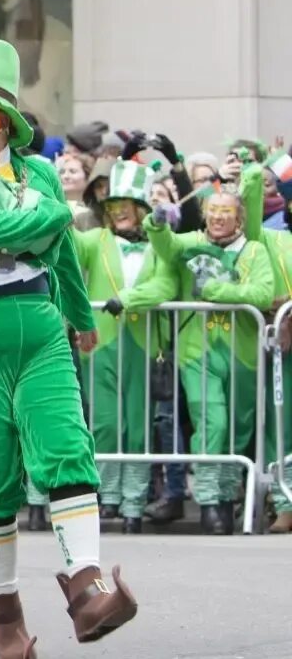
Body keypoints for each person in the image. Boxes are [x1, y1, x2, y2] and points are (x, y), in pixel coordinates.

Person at [0, 36, 135, 658]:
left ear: (1, 121)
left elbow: (57, 253)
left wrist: (77, 312)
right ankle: (4, 615)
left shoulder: (35, 171)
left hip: (39, 329)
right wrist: (50, 215)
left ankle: (87, 587)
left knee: (66, 445)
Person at [127, 168, 273, 535]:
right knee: (212, 421)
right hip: (197, 350)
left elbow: (262, 294)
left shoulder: (254, 251)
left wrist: (219, 293)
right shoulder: (188, 241)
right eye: (213, 211)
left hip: (243, 352)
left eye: (227, 212)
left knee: (238, 428)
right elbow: (165, 246)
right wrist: (157, 223)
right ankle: (209, 503)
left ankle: (226, 496)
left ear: (240, 218)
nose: (219, 218)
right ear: (205, 214)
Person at [74, 159, 176, 535]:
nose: (119, 212)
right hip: (101, 343)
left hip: (144, 344)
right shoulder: (95, 241)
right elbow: (68, 245)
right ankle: (107, 496)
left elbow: (166, 285)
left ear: (141, 210)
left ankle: (134, 500)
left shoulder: (160, 245)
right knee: (103, 423)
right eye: (113, 206)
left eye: (126, 206)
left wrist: (129, 299)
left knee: (138, 425)